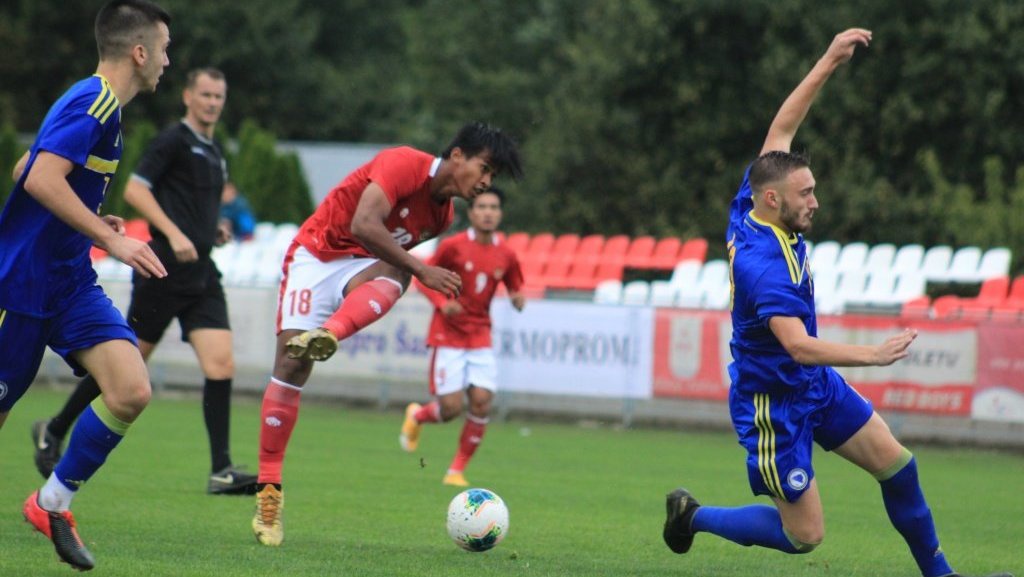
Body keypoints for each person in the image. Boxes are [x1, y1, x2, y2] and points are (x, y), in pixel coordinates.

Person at [661, 29, 1012, 577]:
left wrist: (828, 60)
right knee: (804, 536)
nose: (815, 202)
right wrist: (873, 355)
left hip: (812, 386)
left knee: (898, 467)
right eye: (806, 194)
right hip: (773, 403)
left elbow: (782, 128)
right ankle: (692, 516)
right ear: (774, 198)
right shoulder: (763, 267)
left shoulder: (752, 201)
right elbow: (798, 346)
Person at [251, 122, 522, 547]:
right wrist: (424, 269)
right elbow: (364, 224)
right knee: (289, 368)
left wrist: (414, 270)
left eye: (494, 176)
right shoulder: (404, 163)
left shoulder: (443, 216)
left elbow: (387, 254)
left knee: (399, 272)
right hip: (316, 254)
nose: (487, 181)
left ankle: (329, 333)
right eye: (485, 168)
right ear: (457, 156)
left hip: (359, 267)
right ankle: (268, 493)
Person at [30, 67, 258, 496]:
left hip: (202, 271)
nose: (213, 103)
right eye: (206, 95)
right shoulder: (173, 140)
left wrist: (211, 230)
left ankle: (222, 468)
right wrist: (174, 233)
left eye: (218, 96)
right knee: (125, 367)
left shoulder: (215, 149)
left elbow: (194, 207)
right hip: (162, 268)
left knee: (221, 365)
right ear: (188, 96)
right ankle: (55, 427)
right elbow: (136, 191)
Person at [0, 1, 170, 570]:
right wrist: (109, 238)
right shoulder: (92, 100)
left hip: (70, 283)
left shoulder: (105, 110)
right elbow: (38, 176)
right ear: (139, 52)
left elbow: (24, 167)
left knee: (130, 389)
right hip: (19, 287)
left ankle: (50, 503)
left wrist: (92, 221)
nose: (167, 62)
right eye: (164, 49)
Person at [398, 186, 525, 487]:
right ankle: (418, 416)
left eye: (493, 207)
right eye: (482, 207)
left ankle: (456, 470)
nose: (488, 213)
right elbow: (424, 279)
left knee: (481, 402)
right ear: (472, 212)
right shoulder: (453, 246)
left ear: (500, 213)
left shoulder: (506, 254)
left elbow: (516, 284)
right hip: (448, 335)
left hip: (480, 336)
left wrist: (518, 298)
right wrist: (443, 304)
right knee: (451, 409)